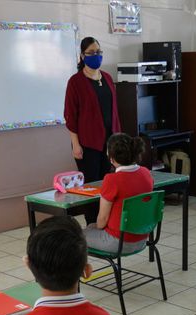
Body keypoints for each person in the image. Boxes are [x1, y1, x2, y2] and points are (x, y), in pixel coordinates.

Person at [64, 36, 121, 223]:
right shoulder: (76, 81)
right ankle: (92, 225)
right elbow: (70, 116)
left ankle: (105, 222)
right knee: (91, 187)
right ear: (82, 56)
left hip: (108, 142)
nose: (96, 56)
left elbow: (113, 111)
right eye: (91, 53)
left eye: (98, 52)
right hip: (87, 144)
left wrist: (117, 140)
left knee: (107, 185)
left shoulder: (107, 77)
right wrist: (75, 144)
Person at [85, 133, 153, 255]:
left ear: (111, 158)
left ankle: (75, 271)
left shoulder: (112, 180)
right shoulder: (146, 173)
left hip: (118, 242)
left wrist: (98, 227)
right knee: (90, 227)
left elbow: (102, 221)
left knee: (75, 235)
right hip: (142, 239)